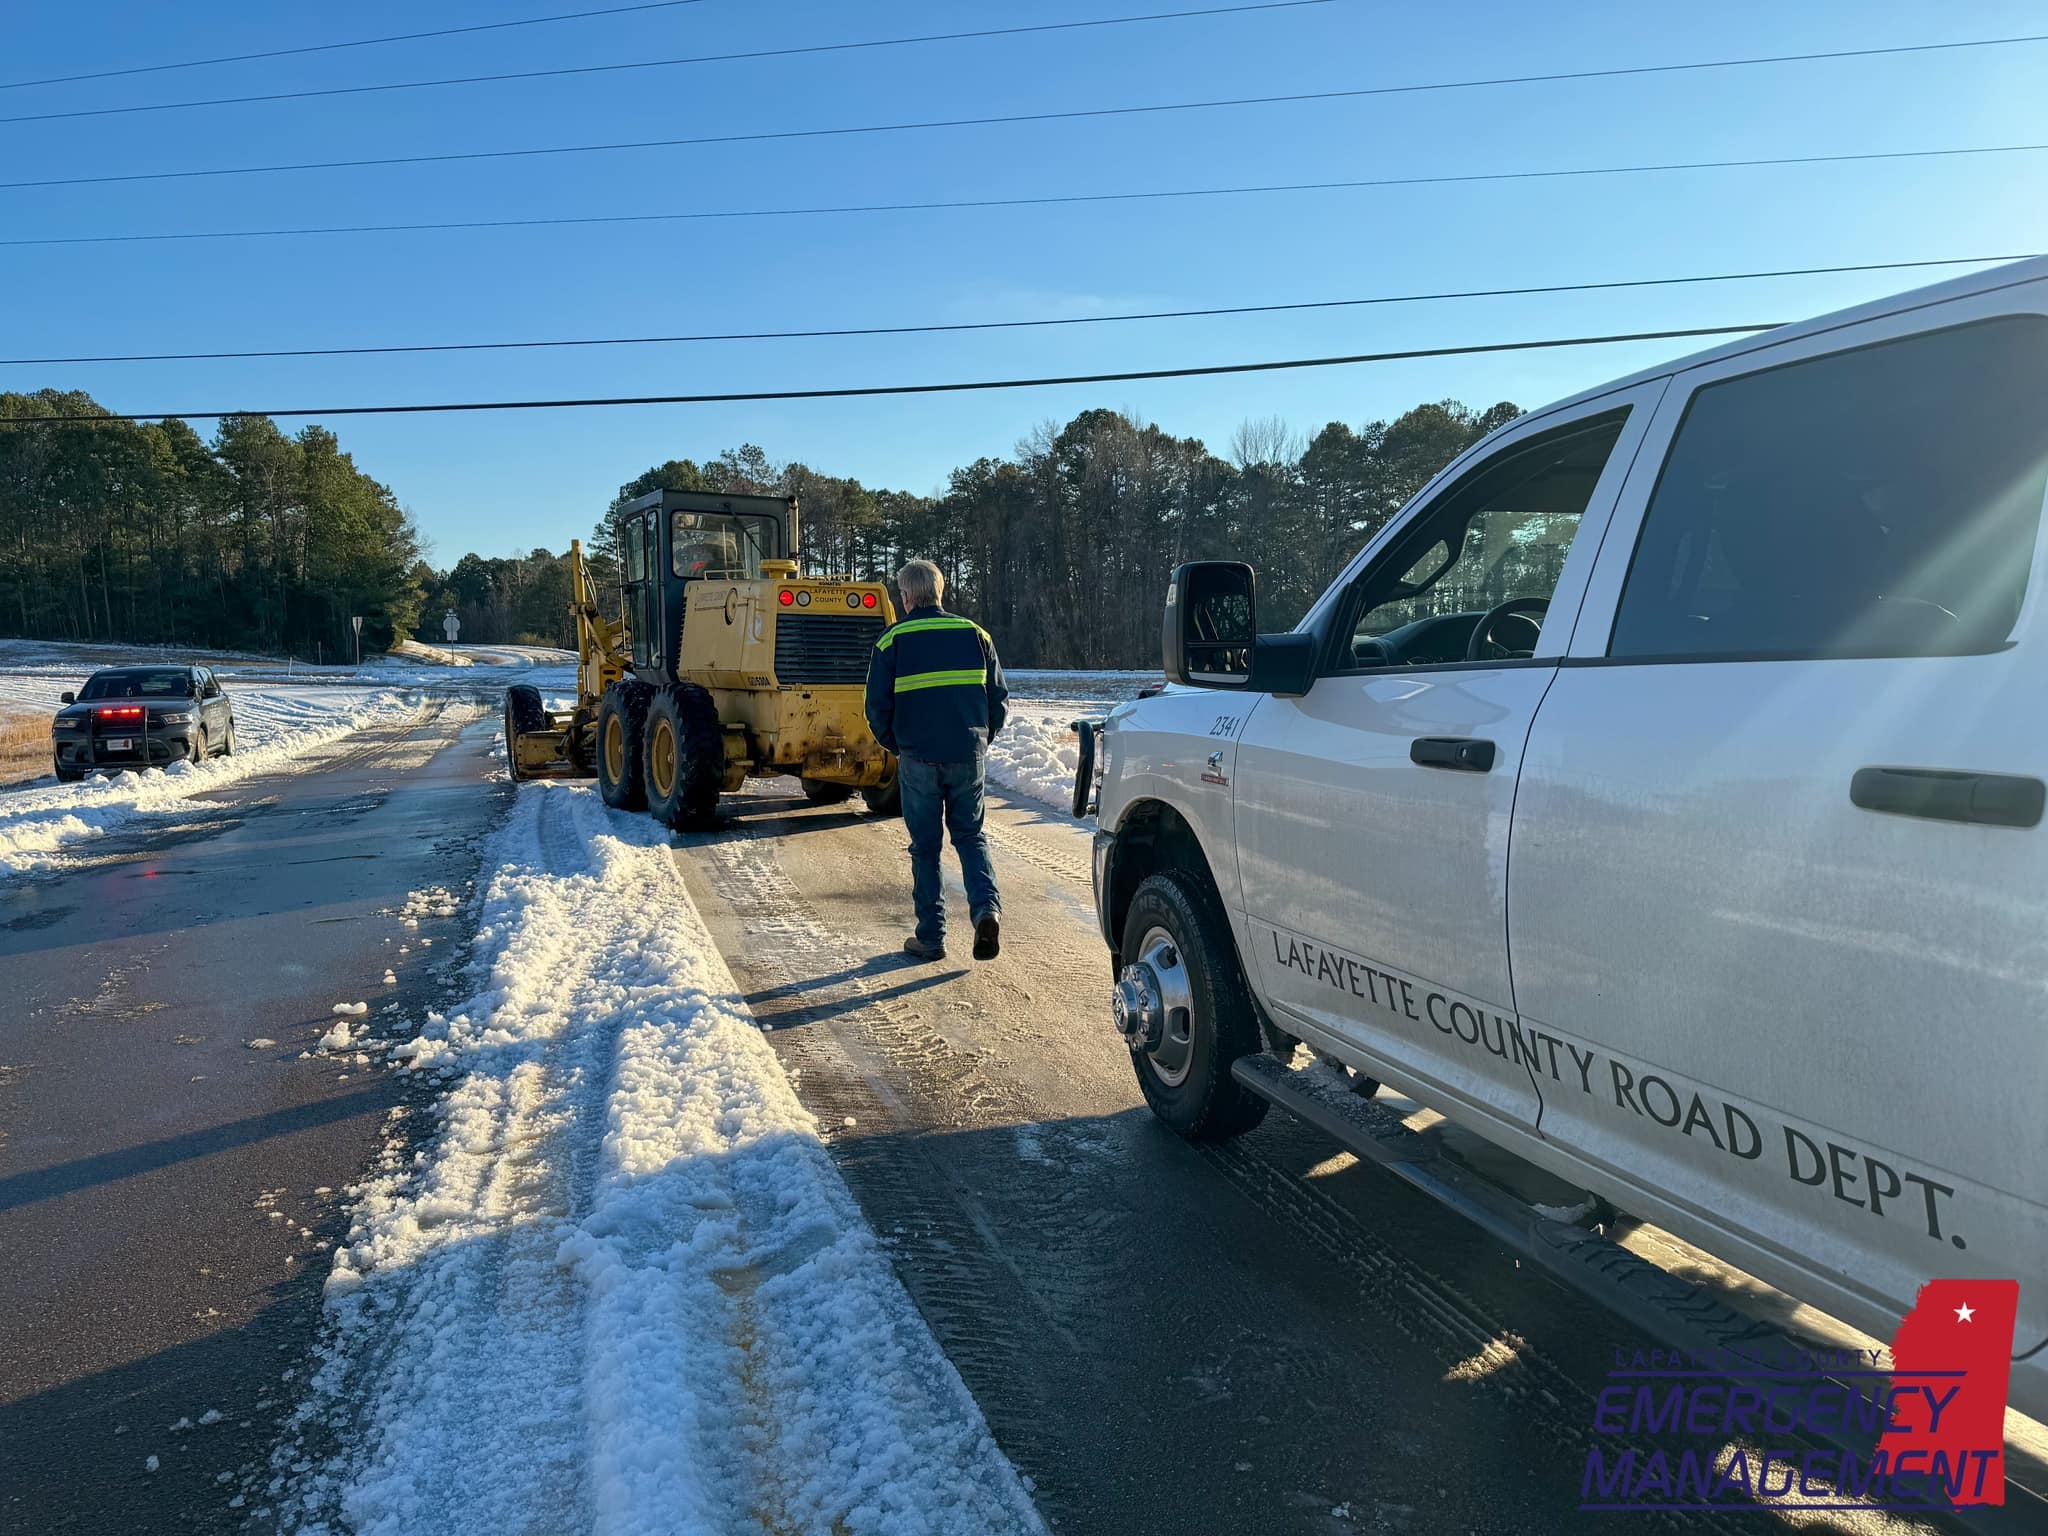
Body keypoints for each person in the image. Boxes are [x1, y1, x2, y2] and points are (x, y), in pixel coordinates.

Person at [863, 559, 1008, 962]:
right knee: (970, 837)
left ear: (906, 597)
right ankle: (986, 911)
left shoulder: (891, 641)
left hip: (917, 759)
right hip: (967, 755)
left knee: (925, 849)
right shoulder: (976, 634)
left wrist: (899, 745)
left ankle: (931, 937)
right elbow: (998, 701)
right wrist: (979, 740)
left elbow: (875, 708)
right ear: (940, 592)